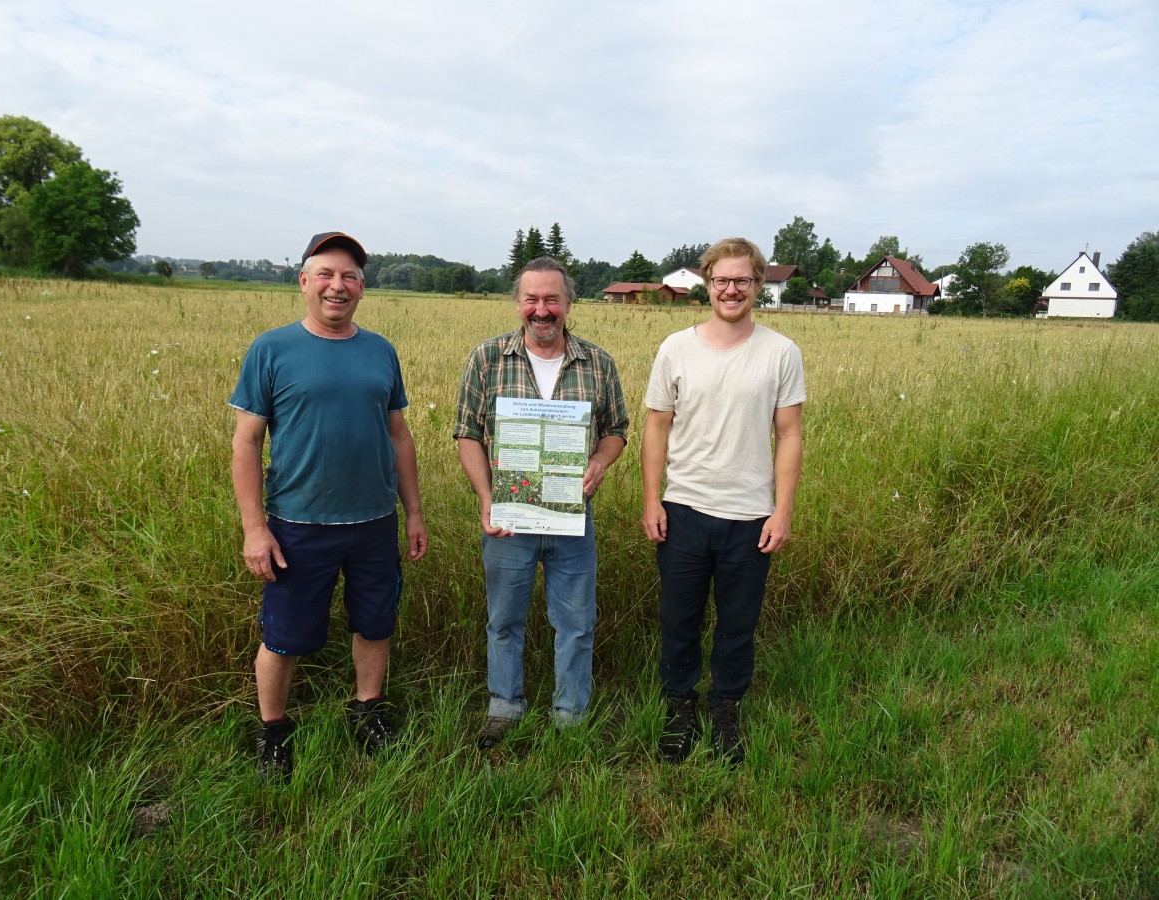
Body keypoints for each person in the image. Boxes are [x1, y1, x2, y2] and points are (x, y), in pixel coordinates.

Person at [230, 231, 428, 780]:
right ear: (304, 282)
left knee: (375, 624)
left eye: (349, 277)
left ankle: (367, 711)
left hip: (373, 523)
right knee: (284, 635)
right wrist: (254, 529)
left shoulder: (381, 351)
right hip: (296, 525)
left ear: (362, 288)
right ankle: (273, 731)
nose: (337, 286)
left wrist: (413, 512)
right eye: (326, 274)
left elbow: (399, 436)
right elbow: (246, 441)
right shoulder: (271, 349)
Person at [641, 237, 805, 765]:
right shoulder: (675, 349)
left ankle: (726, 711)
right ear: (705, 285)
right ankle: (679, 709)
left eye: (743, 281)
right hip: (684, 510)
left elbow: (790, 434)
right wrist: (652, 500)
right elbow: (655, 427)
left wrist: (782, 510)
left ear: (759, 286)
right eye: (721, 281)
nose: (731, 290)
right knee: (678, 620)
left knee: (738, 624)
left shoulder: (781, 352)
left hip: (750, 518)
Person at [454, 257, 628, 748]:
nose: (542, 310)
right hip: (508, 517)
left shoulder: (598, 362)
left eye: (552, 299)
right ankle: (504, 707)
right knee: (504, 619)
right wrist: (486, 498)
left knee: (575, 622)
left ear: (569, 303)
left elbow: (617, 430)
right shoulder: (487, 358)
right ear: (518, 303)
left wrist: (600, 460)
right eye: (532, 299)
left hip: (572, 518)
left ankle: (570, 714)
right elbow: (467, 433)